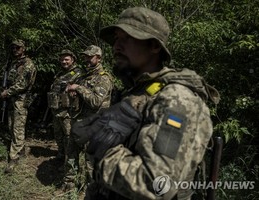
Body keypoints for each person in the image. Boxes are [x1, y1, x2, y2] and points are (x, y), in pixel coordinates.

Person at [71, 7, 220, 200]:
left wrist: (106, 150)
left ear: (154, 46)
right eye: (116, 38)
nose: (116, 46)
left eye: (127, 38)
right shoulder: (139, 91)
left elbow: (158, 184)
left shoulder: (177, 100)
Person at [65, 45, 114, 189]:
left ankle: (91, 189)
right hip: (79, 120)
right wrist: (73, 92)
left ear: (98, 58)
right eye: (85, 56)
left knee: (91, 159)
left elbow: (95, 101)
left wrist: (78, 88)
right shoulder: (84, 76)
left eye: (89, 56)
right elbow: (78, 93)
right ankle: (69, 183)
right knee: (71, 151)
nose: (86, 59)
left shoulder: (104, 78)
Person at [1, 39, 37, 173]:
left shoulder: (28, 64)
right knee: (12, 126)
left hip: (20, 100)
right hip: (12, 99)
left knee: (18, 128)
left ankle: (13, 158)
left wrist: (7, 92)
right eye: (13, 48)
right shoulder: (13, 63)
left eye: (18, 48)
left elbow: (23, 84)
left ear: (23, 49)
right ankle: (21, 150)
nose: (15, 50)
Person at [47, 49, 84, 170]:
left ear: (72, 60)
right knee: (58, 135)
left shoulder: (79, 73)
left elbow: (82, 89)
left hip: (68, 111)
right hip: (56, 109)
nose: (64, 61)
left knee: (69, 137)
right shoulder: (59, 74)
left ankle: (69, 163)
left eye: (66, 59)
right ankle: (61, 155)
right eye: (62, 59)